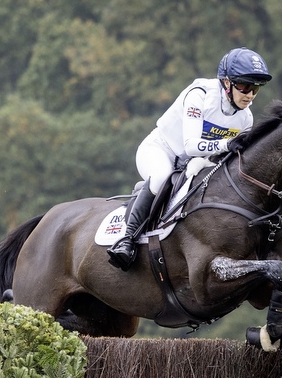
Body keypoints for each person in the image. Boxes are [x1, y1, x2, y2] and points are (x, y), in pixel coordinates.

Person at [107, 47, 273, 271]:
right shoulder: (200, 95)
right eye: (244, 86)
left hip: (195, 163)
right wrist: (225, 144)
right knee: (160, 178)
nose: (250, 95)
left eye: (255, 89)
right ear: (226, 83)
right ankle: (126, 240)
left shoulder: (245, 118)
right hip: (160, 150)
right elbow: (190, 145)